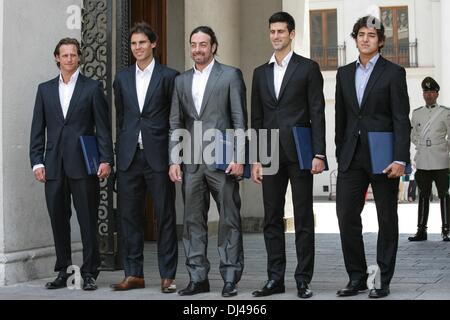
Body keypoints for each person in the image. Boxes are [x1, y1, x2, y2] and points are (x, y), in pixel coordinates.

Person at [250, 11, 326, 299]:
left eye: (281, 31)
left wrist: (319, 153)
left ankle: (303, 280)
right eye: (272, 31)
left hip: (301, 152)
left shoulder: (308, 68)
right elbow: (256, 118)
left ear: (292, 34)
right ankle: (274, 279)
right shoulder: (260, 73)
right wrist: (256, 158)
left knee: (304, 217)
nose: (276, 36)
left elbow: (317, 112)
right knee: (271, 218)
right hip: (269, 154)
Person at [334, 16, 411, 298]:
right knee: (345, 216)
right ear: (355, 38)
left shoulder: (393, 73)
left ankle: (381, 279)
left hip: (383, 157)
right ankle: (356, 277)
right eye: (361, 34)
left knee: (386, 218)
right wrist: (340, 151)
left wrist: (401, 158)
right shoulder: (343, 74)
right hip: (351, 158)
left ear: (380, 41)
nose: (365, 39)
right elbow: (340, 118)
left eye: (371, 35)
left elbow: (401, 119)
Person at [29, 38, 113, 291]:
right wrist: (37, 162)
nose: (69, 59)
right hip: (53, 166)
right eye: (64, 55)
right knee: (58, 219)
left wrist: (105, 159)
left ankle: (89, 273)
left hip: (84, 164)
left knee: (87, 219)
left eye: (73, 55)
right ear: (56, 57)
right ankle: (63, 270)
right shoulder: (44, 90)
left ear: (79, 57)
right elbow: (37, 129)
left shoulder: (92, 88)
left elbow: (103, 128)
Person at [169, 26, 247, 297]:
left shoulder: (230, 75)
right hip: (191, 162)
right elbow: (175, 122)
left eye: (203, 44)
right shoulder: (181, 81)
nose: (198, 49)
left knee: (229, 219)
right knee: (192, 222)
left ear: (214, 46)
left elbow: (239, 119)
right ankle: (198, 278)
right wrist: (173, 159)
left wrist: (239, 157)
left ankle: (229, 278)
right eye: (194, 44)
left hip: (222, 160)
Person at [110, 22, 179, 293]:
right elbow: (122, 119)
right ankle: (134, 274)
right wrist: (118, 154)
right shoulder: (122, 78)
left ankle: (167, 276)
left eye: (142, 42)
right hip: (129, 158)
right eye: (134, 44)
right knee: (129, 218)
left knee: (165, 217)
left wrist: (175, 157)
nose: (137, 48)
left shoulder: (169, 77)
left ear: (153, 44)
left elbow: (176, 120)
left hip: (159, 157)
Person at [408, 77, 450, 242]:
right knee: (423, 194)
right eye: (426, 92)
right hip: (423, 159)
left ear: (437, 94)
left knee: (444, 194)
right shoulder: (417, 113)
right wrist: (420, 143)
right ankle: (421, 231)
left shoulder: (445, 113)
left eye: (431, 92)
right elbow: (412, 133)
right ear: (423, 94)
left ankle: (446, 230)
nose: (428, 95)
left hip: (441, 159)